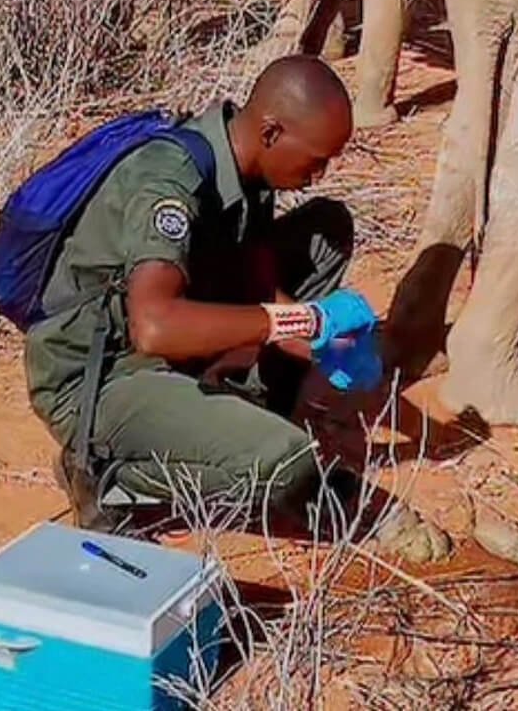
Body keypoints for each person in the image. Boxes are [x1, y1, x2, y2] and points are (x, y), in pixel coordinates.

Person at [24, 55, 450, 563]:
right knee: (286, 463)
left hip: (168, 347)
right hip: (100, 380)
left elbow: (254, 281)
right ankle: (102, 470)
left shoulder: (244, 167)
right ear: (271, 132)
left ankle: (246, 414)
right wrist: (303, 321)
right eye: (316, 160)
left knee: (326, 228)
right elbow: (154, 327)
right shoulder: (169, 182)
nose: (319, 175)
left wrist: (323, 346)